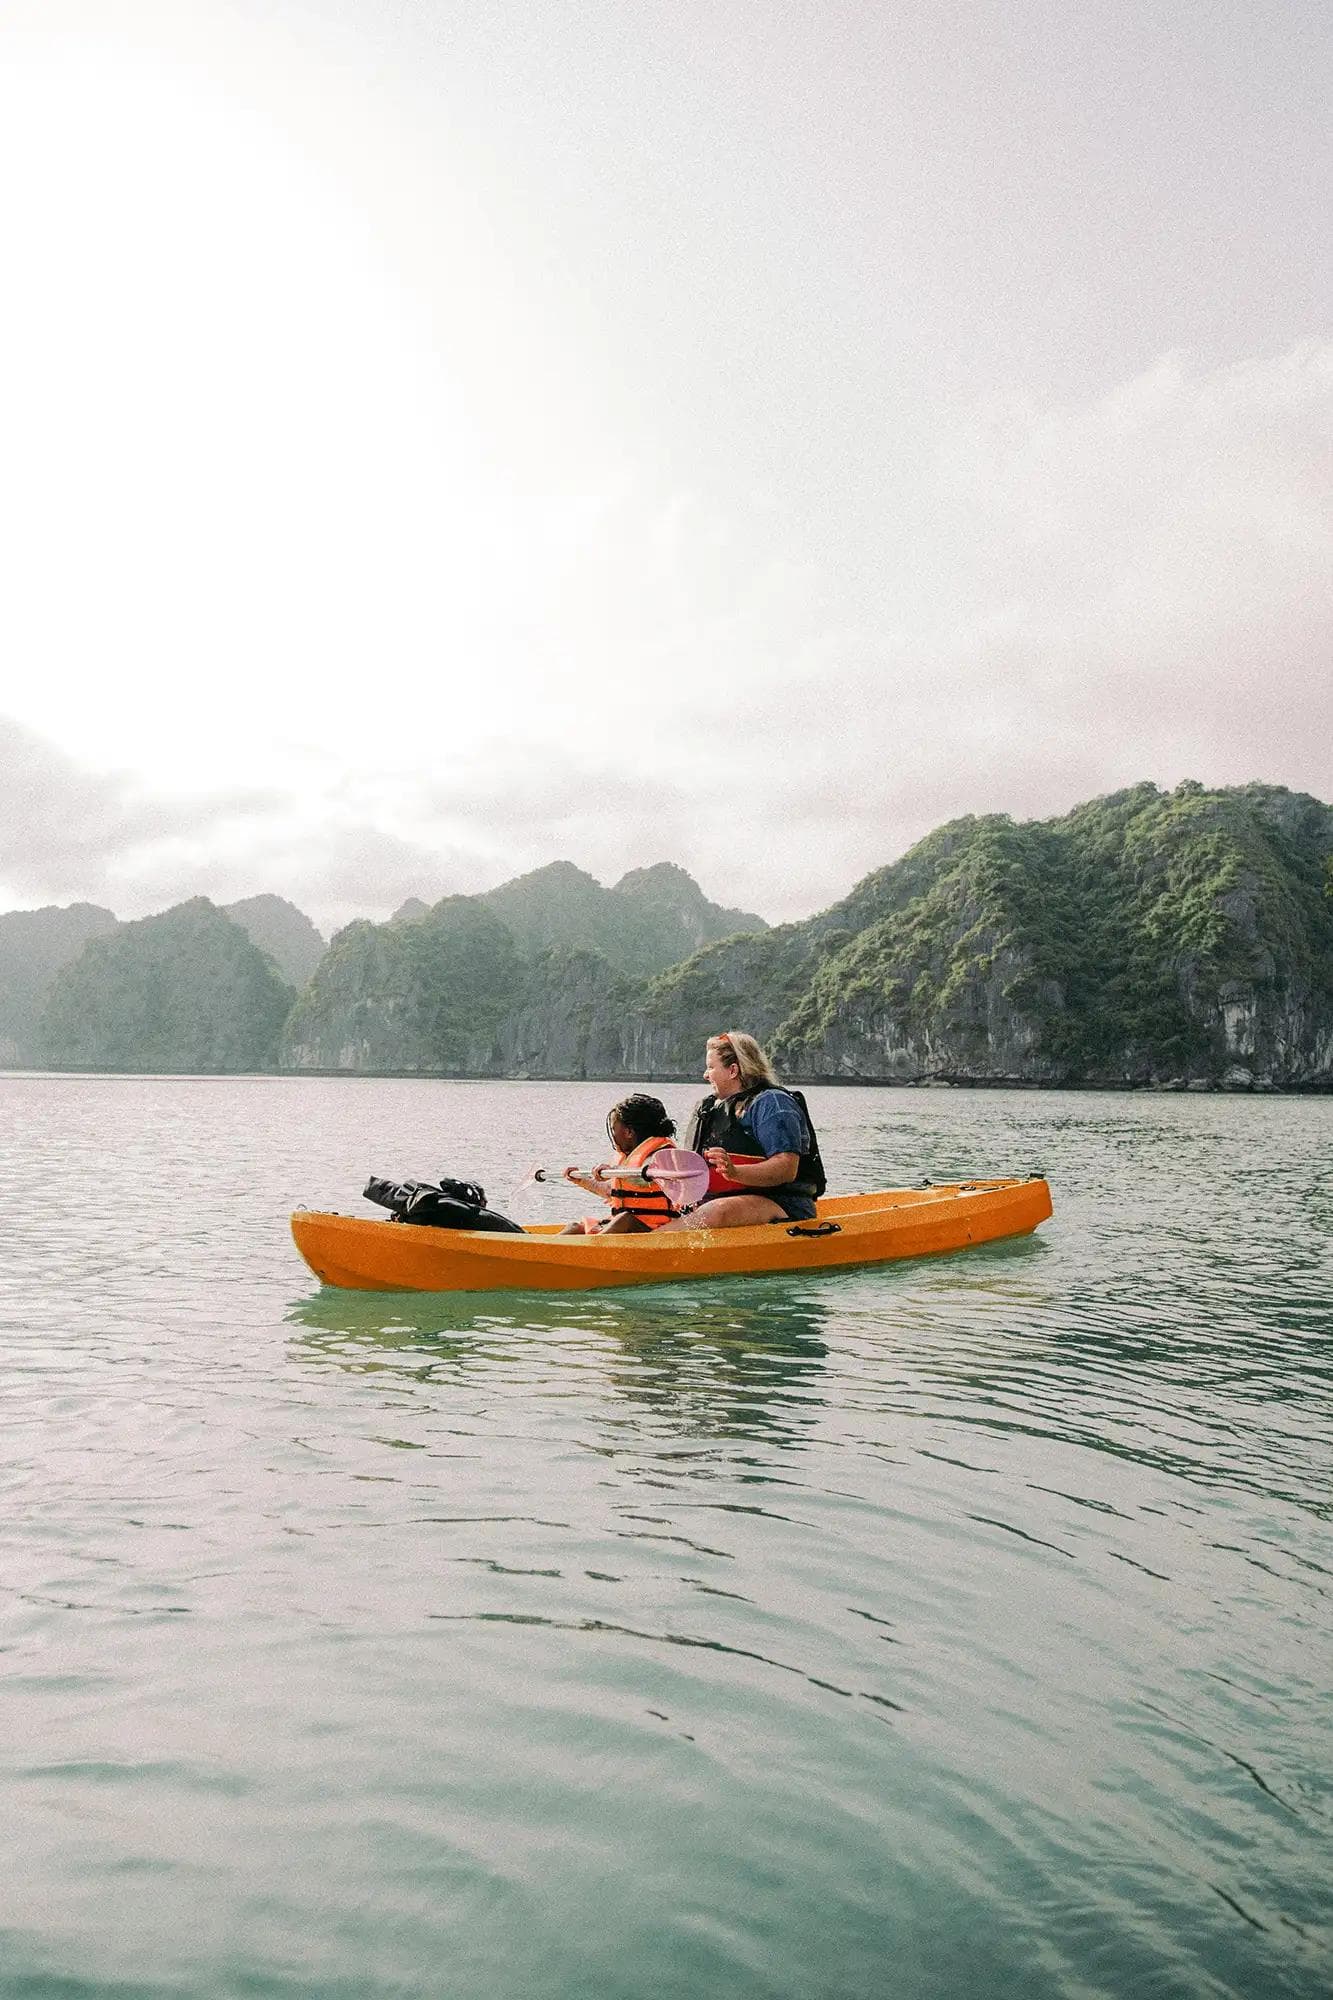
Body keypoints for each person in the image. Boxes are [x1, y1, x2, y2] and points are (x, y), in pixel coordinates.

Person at [658, 1030, 818, 1230]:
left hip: (781, 1204)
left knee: (717, 1212)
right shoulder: (708, 1109)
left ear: (733, 1070)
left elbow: (786, 1169)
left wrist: (734, 1172)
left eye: (710, 1067)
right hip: (718, 1202)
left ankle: (647, 1252)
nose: (705, 1074)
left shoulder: (773, 1103)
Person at [559, 1094, 679, 1235]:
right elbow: (611, 1191)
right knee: (575, 1227)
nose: (613, 1136)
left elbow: (644, 1178)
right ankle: (542, 1247)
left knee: (625, 1219)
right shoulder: (627, 1159)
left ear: (628, 1132)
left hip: (652, 1229)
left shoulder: (662, 1155)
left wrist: (616, 1170)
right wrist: (581, 1180)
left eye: (614, 1130)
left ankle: (592, 1248)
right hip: (620, 1227)